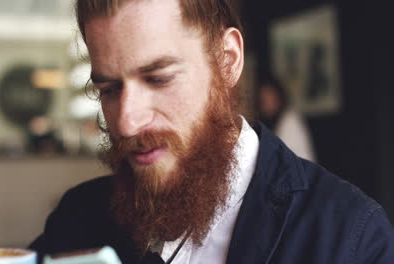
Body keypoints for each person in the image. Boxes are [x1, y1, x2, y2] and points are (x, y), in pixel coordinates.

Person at [29, 0, 394, 263]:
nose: (126, 122)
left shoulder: (348, 236)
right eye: (108, 90)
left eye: (158, 79)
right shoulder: (76, 218)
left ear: (227, 61)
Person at [257, 76, 316, 161]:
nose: (267, 104)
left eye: (270, 98)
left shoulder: (289, 120)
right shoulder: (271, 122)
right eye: (263, 100)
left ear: (279, 97)